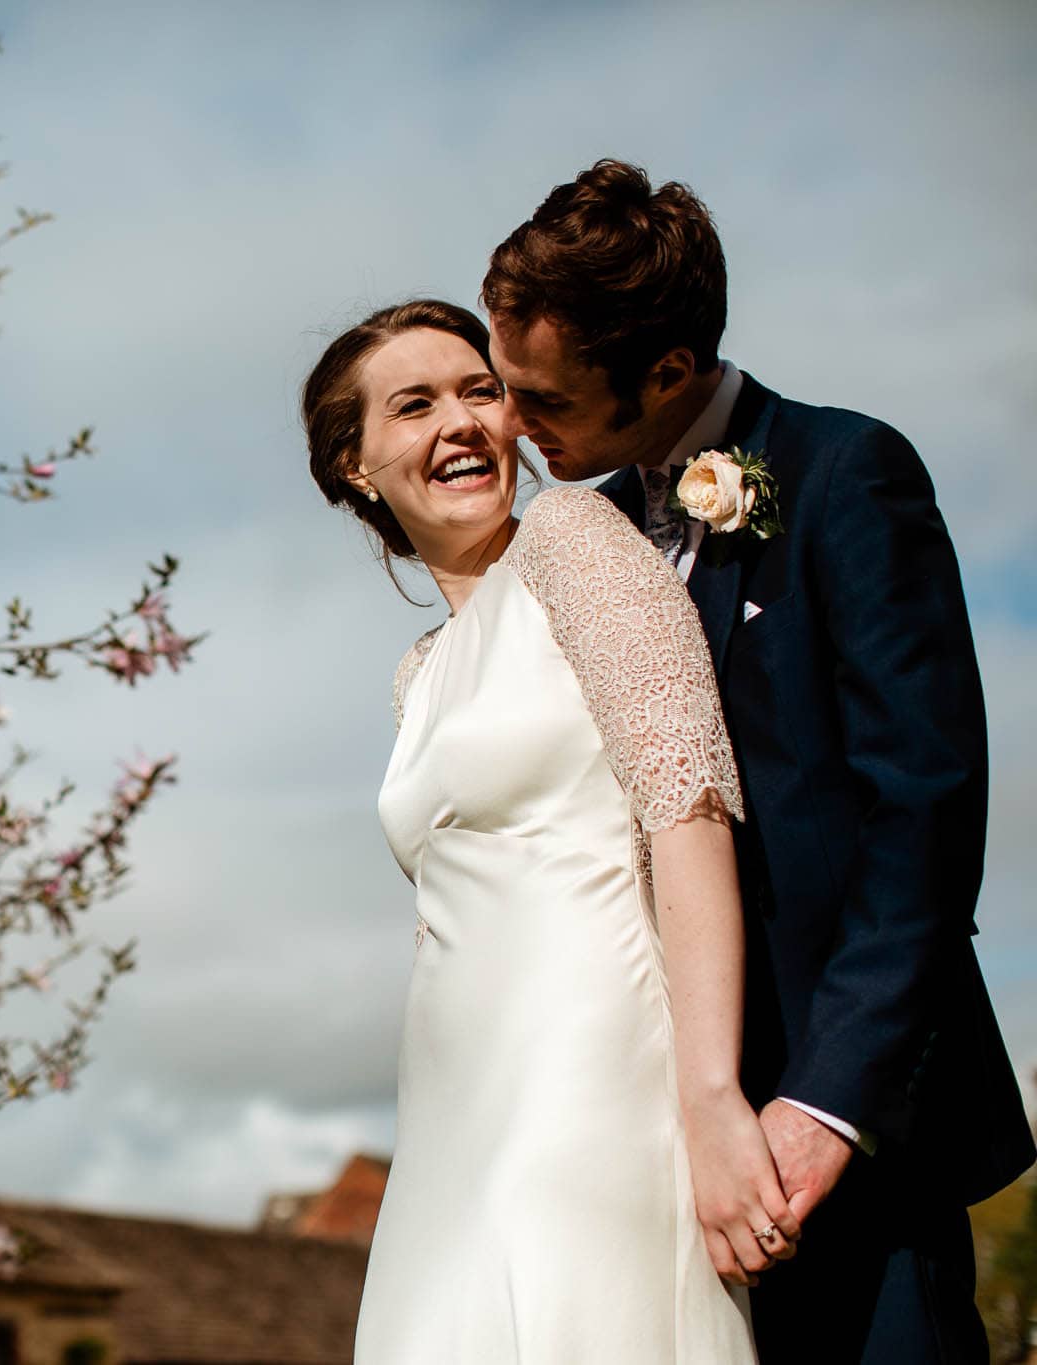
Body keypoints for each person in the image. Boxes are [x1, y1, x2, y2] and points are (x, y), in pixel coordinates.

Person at [482, 159, 1034, 1364]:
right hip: (649, 1156)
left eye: (544, 398)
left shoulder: (844, 475)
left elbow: (923, 814)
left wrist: (825, 1105)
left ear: (666, 372)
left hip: (844, 1144)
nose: (512, 425)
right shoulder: (582, 539)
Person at [303, 299, 779, 1361]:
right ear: (354, 465)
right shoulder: (417, 675)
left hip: (589, 1081)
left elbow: (689, 807)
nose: (461, 421)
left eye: (481, 391)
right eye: (414, 404)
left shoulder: (575, 539)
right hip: (450, 1112)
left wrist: (711, 1098)